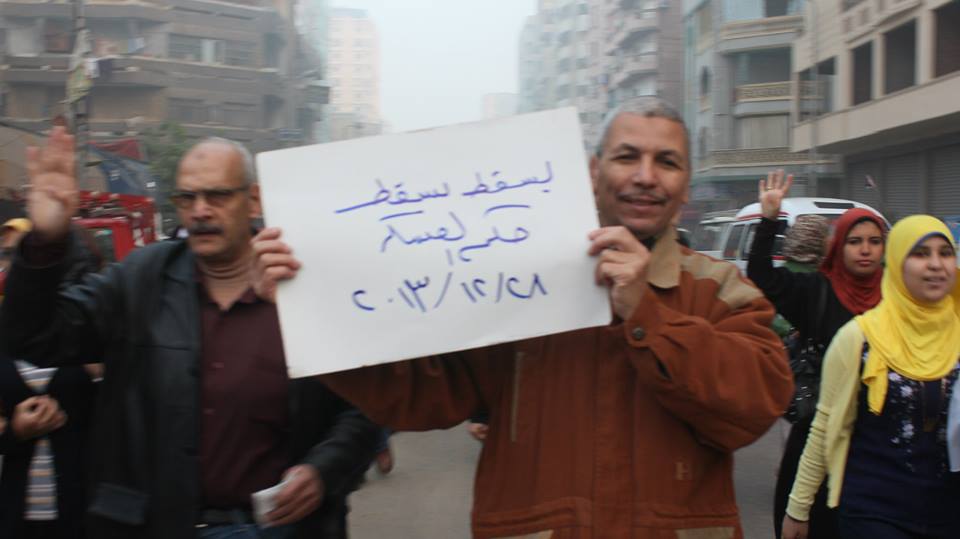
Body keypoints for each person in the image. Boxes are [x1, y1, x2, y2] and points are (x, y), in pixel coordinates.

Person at [252, 97, 794, 538]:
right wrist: (311, 311)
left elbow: (754, 409)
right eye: (627, 157)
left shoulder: (719, 289)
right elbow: (421, 394)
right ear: (593, 171)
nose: (646, 176)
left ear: (686, 183)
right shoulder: (514, 278)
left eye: (667, 162)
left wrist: (645, 315)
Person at [0, 129, 380, 539]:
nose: (200, 211)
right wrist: (46, 241)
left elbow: (369, 405)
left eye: (217, 196)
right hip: (154, 525)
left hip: (284, 529)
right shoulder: (141, 278)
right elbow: (37, 337)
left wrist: (324, 470)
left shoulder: (305, 282)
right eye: (187, 198)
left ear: (254, 200)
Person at [783, 215, 960, 539]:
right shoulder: (859, 338)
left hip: (948, 514)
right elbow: (824, 427)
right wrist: (798, 507)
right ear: (897, 262)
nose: (936, 264)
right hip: (874, 512)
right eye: (921, 254)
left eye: (945, 253)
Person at [747, 170, 886, 539]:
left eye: (874, 241)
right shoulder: (816, 291)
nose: (866, 249)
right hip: (819, 433)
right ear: (838, 247)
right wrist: (769, 220)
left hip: (879, 439)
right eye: (855, 241)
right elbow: (762, 276)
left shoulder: (896, 296)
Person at [1, 222, 103, 539]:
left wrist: (98, 376)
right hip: (17, 516)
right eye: (8, 255)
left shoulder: (96, 326)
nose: (13, 265)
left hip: (90, 514)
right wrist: (16, 431)